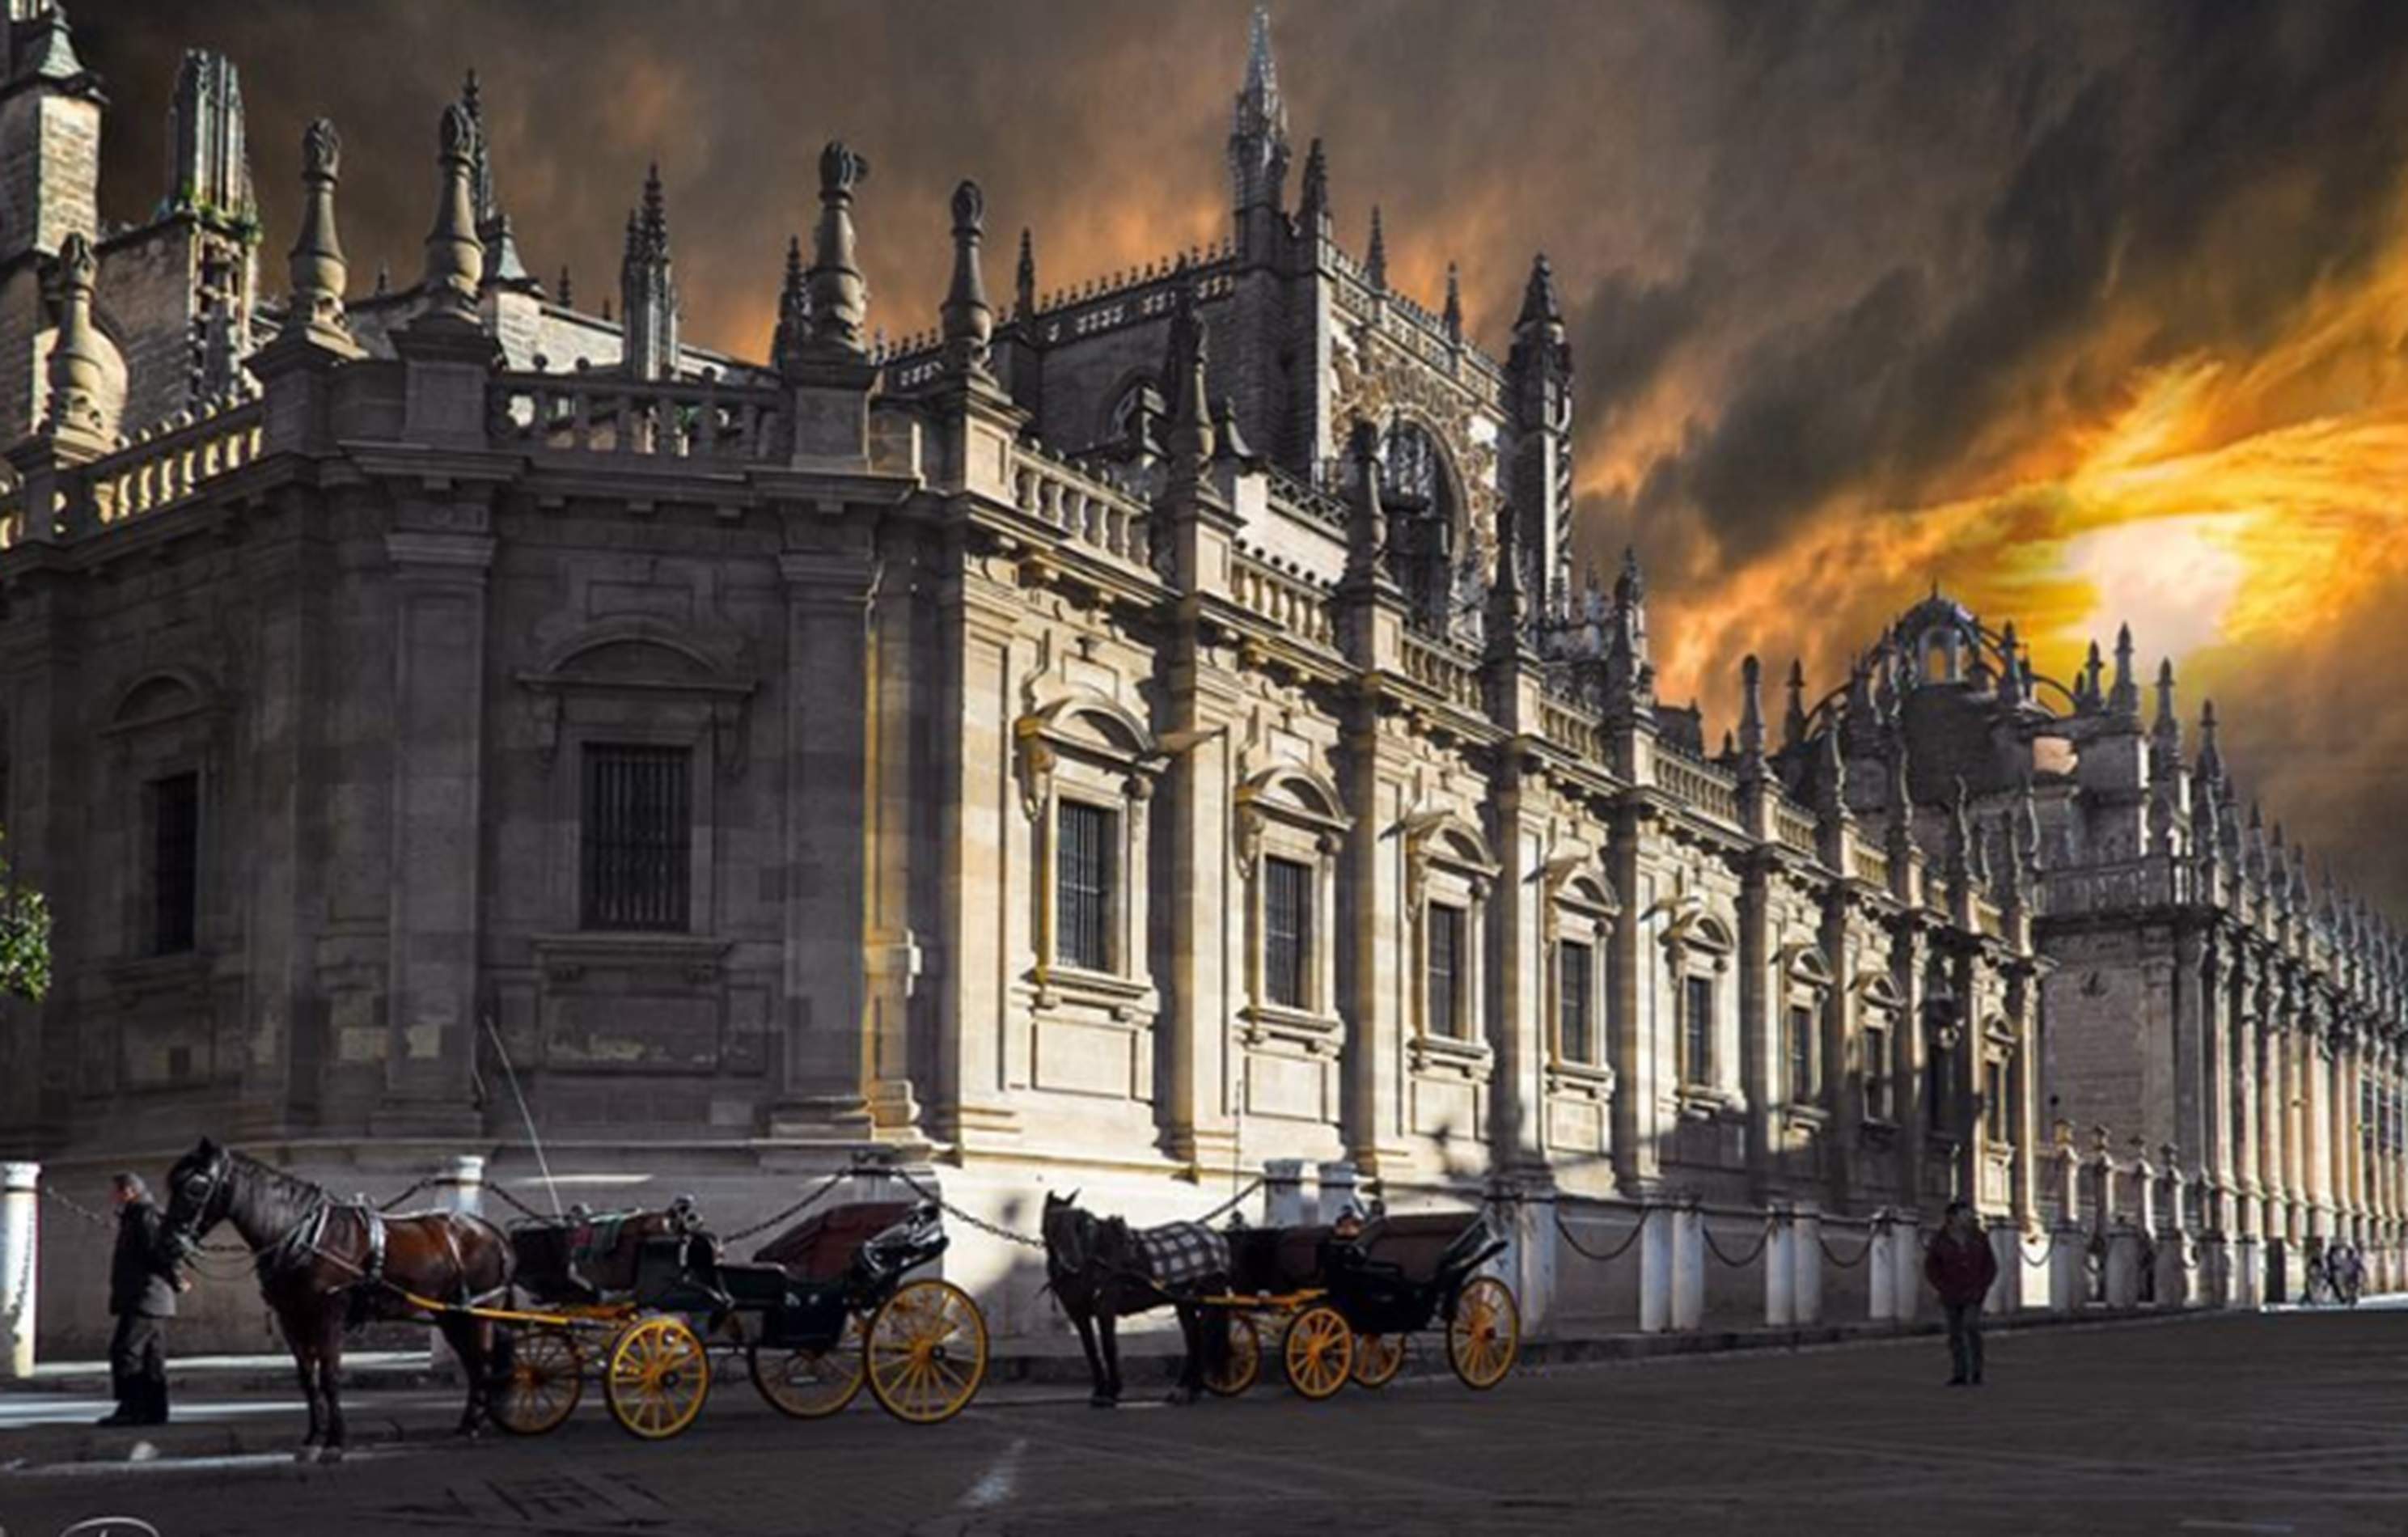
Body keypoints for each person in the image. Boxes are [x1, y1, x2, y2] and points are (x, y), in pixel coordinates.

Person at [98, 1171, 185, 1427]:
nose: (112, 1197)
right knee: (151, 1356)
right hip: (150, 1297)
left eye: (116, 1192)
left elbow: (158, 1252)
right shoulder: (137, 1215)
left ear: (129, 1191)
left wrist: (176, 1278)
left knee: (126, 1351)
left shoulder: (145, 1215)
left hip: (145, 1296)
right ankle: (156, 1411)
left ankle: (131, 1408)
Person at [1923, 1200, 1999, 1387]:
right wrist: (1941, 1286)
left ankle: (1976, 1371)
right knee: (1955, 1333)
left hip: (1974, 1292)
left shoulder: (1979, 1237)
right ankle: (1959, 1373)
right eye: (1965, 1214)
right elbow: (1931, 1266)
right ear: (1952, 1217)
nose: (1969, 1217)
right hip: (1951, 1293)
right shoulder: (1940, 1239)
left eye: (1970, 1214)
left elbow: (1990, 1265)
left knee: (1971, 1325)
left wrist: (1983, 1286)